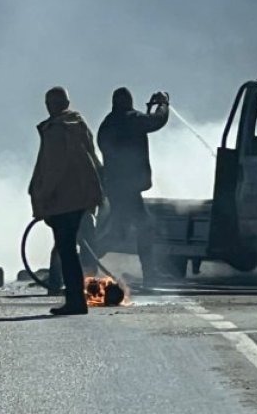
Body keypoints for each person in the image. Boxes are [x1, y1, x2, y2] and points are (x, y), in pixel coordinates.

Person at [29, 86, 103, 316]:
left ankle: (75, 301)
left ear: (51, 105)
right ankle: (77, 298)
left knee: (67, 251)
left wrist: (41, 197)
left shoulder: (57, 130)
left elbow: (53, 170)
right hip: (81, 198)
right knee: (72, 250)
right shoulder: (79, 125)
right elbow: (94, 159)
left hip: (63, 200)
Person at [96, 87, 169, 277]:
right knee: (144, 226)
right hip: (128, 188)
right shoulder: (131, 119)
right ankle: (150, 273)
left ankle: (83, 261)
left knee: (119, 232)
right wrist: (163, 104)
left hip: (114, 186)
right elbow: (156, 121)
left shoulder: (107, 123)